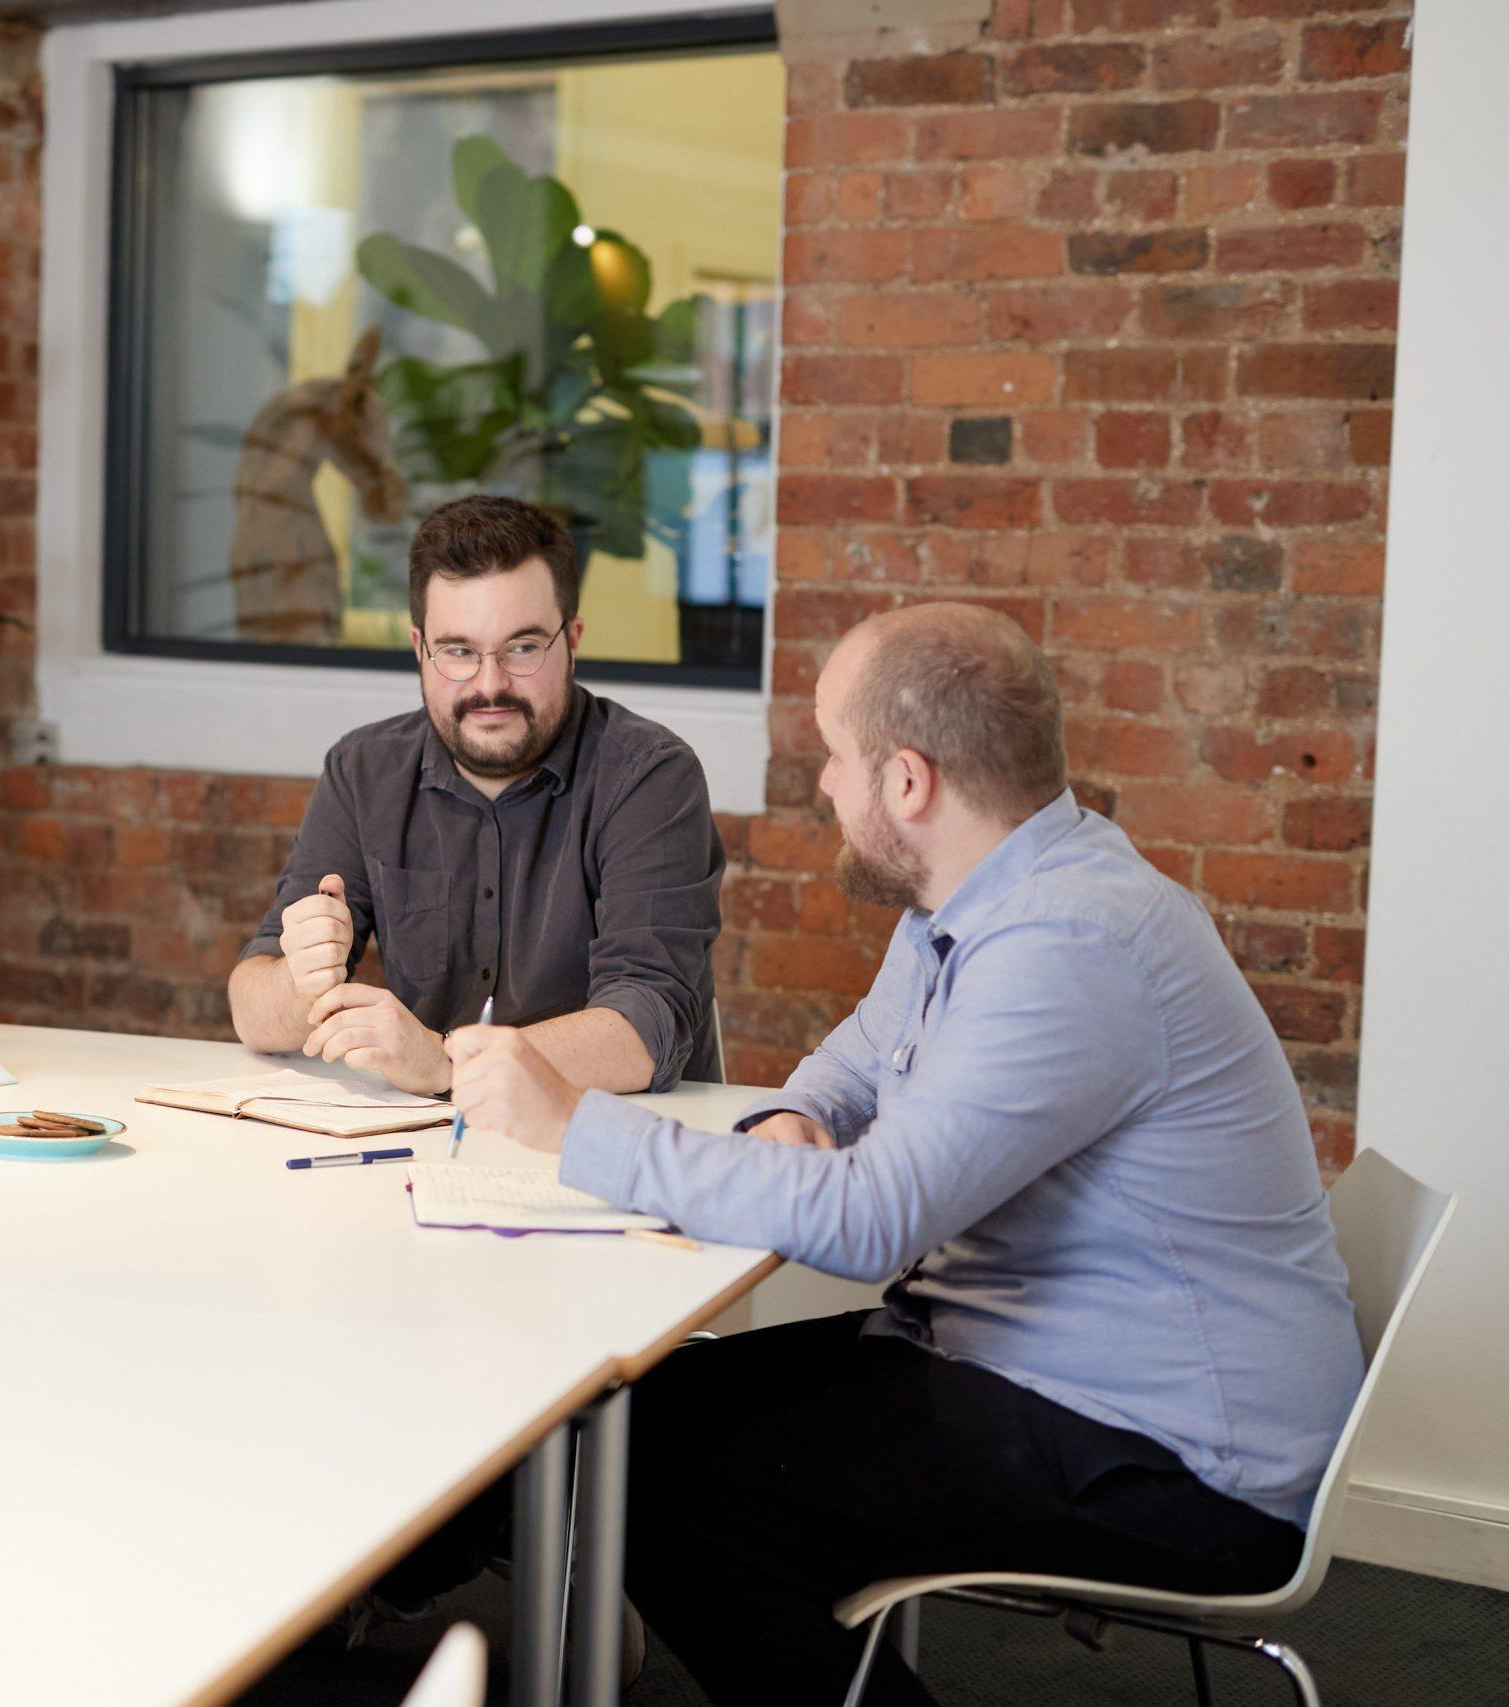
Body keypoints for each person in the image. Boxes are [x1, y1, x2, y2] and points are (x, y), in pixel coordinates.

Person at [446, 601, 1363, 1706]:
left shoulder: (1066, 944)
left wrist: (568, 1125)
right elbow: (854, 1060)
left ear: (909, 782)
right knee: (629, 1415)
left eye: (836, 758)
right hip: (1022, 1364)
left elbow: (869, 1223)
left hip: (1173, 1463)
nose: (824, 787)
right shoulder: (983, 895)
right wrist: (797, 1120)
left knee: (656, 1485)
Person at [227, 494, 724, 1096]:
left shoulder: (649, 776)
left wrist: (447, 1063)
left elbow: (647, 1027)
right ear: (420, 650)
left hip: (610, 1137)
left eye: (522, 648)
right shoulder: (364, 771)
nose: (490, 685)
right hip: (428, 1144)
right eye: (459, 651)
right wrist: (297, 981)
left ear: (572, 641)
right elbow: (252, 1011)